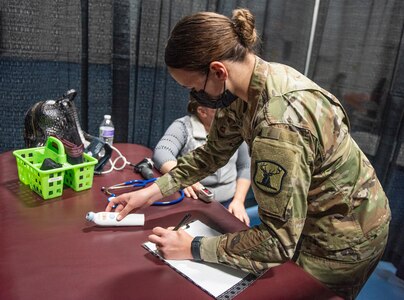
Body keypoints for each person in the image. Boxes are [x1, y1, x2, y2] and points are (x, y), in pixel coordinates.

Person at [106, 8, 390, 299]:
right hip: (310, 217)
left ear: (218, 70)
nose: (194, 97)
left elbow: (278, 242)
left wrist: (192, 247)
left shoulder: (278, 126)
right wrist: (152, 191)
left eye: (193, 87)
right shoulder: (244, 87)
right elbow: (211, 154)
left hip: (343, 236)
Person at [152, 97, 251, 225]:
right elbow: (161, 152)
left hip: (229, 202)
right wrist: (184, 178)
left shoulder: (235, 127)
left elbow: (245, 166)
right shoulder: (183, 127)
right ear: (202, 111)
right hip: (193, 201)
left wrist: (238, 201)